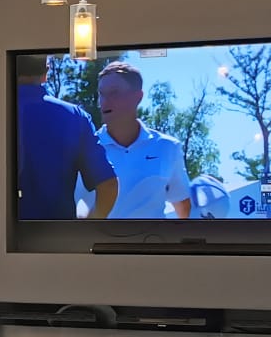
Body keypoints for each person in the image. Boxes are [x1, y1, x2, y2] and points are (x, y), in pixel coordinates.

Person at [80, 60, 192, 219]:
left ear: (138, 97)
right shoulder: (85, 149)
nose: (105, 101)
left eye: (114, 92)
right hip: (99, 236)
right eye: (101, 94)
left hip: (152, 236)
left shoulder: (168, 147)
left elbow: (183, 207)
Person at [16, 58, 116, 220]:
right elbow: (109, 185)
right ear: (45, 73)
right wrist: (89, 227)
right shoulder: (74, 117)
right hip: (56, 232)